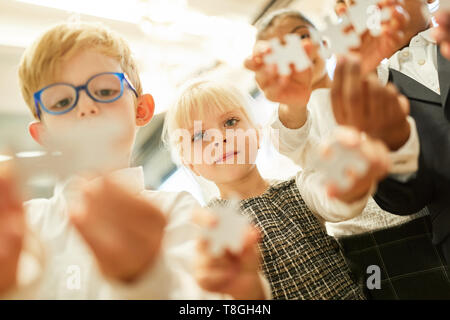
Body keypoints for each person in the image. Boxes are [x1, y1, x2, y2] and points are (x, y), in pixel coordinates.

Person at [0, 22, 270, 300]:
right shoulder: (23, 227)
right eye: (60, 102)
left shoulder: (178, 211)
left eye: (105, 91)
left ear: (141, 110)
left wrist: (149, 279)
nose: (85, 106)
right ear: (43, 135)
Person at [162, 77, 400, 299]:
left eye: (230, 122)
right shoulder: (205, 226)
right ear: (190, 163)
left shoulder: (298, 187)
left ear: (256, 133)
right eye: (200, 135)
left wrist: (353, 182)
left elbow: (337, 202)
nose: (219, 139)